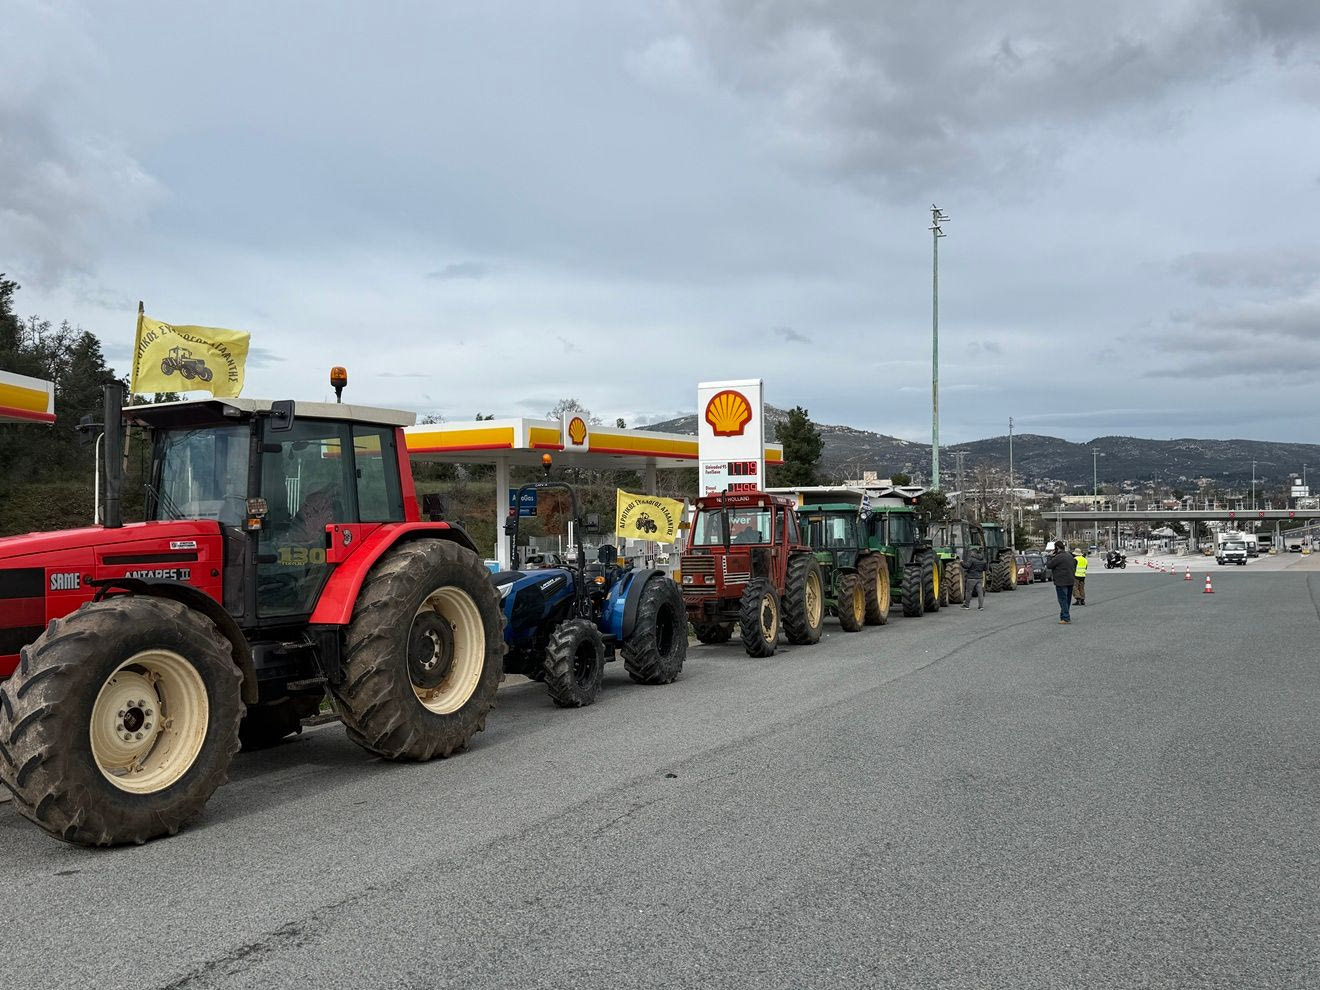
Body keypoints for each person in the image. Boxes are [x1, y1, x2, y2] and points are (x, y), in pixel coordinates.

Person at [1044, 540, 1076, 624]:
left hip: (1061, 581)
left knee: (1062, 600)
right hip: (1071, 580)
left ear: (1057, 547)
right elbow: (1075, 564)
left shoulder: (1058, 557)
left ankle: (1065, 618)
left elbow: (1049, 565)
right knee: (1067, 600)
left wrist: (1049, 557)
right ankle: (1064, 615)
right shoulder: (1069, 556)